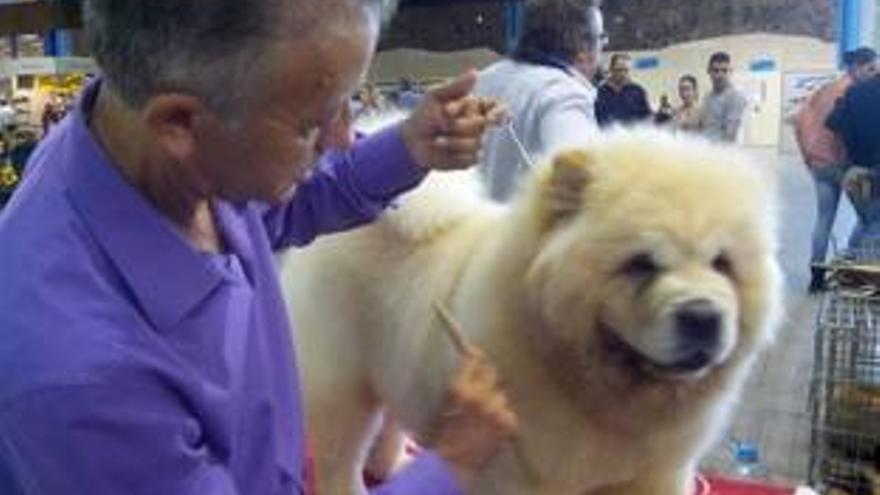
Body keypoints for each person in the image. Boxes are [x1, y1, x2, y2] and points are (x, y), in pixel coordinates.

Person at [0, 1, 518, 494]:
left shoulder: (145, 141)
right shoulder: (85, 388)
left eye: (344, 108)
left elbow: (277, 205)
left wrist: (408, 147)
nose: (340, 140)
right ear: (180, 123)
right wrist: (453, 466)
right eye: (310, 125)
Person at [473, 0, 605, 202]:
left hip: (473, 228)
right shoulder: (562, 92)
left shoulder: (483, 80)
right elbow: (583, 184)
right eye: (601, 39)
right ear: (583, 50)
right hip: (526, 231)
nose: (602, 48)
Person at [793, 47, 878, 292]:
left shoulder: (825, 89)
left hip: (819, 165)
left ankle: (817, 278)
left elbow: (799, 120)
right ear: (856, 68)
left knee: (824, 220)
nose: (873, 75)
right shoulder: (853, 92)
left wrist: (808, 157)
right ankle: (853, 270)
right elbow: (849, 132)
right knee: (869, 218)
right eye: (870, 69)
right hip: (842, 166)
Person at [826, 52, 880, 250]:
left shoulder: (854, 92)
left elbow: (832, 122)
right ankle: (866, 276)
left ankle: (851, 267)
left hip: (855, 171)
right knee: (875, 227)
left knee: (867, 222)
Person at [595, 53, 652, 128]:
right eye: (619, 70)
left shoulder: (638, 91)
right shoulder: (599, 92)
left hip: (632, 137)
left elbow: (647, 118)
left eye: (626, 70)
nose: (623, 73)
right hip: (606, 137)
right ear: (611, 69)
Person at [701, 51, 748, 143]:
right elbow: (706, 126)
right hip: (707, 150)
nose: (720, 75)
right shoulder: (707, 97)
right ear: (708, 71)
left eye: (724, 70)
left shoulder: (735, 97)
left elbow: (729, 135)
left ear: (730, 72)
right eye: (716, 70)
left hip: (724, 153)